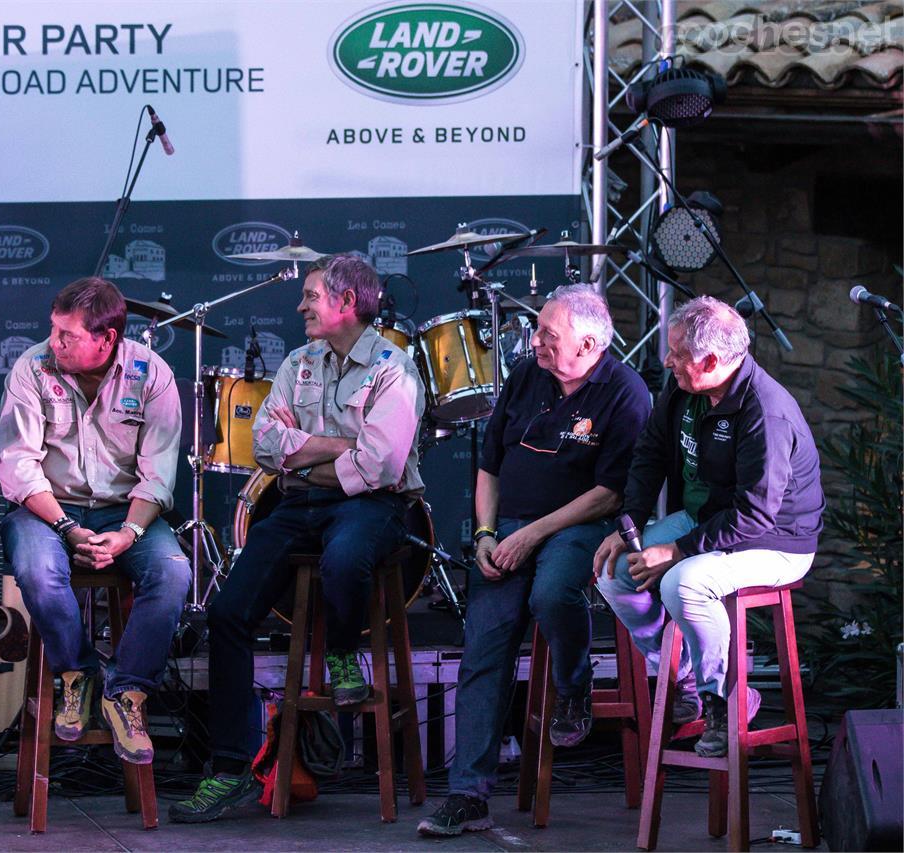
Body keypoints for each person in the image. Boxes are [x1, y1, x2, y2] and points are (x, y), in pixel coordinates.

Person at [170, 253, 426, 824]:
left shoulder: (393, 368)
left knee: (344, 558)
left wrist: (306, 456)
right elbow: (264, 442)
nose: (300, 306)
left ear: (346, 303)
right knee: (228, 611)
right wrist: (338, 449)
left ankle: (339, 651)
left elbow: (382, 466)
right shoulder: (298, 361)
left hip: (374, 505)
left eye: (311, 296)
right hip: (301, 503)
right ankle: (231, 768)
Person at [417, 283, 651, 837]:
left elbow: (612, 494)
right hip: (509, 527)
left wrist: (531, 536)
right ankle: (467, 796)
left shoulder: (626, 392)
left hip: (581, 527)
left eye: (550, 333)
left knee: (551, 593)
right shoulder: (526, 373)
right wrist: (485, 533)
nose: (537, 340)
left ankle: (572, 688)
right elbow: (490, 466)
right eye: (538, 329)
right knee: (484, 647)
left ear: (589, 344)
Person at [594, 295, 823, 758]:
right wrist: (631, 524)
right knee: (614, 573)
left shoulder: (766, 412)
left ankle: (725, 702)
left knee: (684, 583)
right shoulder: (683, 390)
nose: (667, 361)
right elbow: (651, 451)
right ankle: (685, 681)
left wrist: (677, 550)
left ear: (712, 360)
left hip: (776, 539)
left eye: (677, 354)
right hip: (708, 521)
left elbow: (756, 513)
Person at [0, 277, 190, 766]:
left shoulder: (153, 374)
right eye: (53, 330)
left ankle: (126, 692)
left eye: (68, 336)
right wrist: (67, 528)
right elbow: (18, 465)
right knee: (38, 570)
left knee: (173, 572)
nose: (54, 343)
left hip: (125, 511)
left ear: (107, 339)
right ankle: (75, 674)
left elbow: (159, 474)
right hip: (47, 508)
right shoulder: (31, 367)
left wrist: (128, 534)